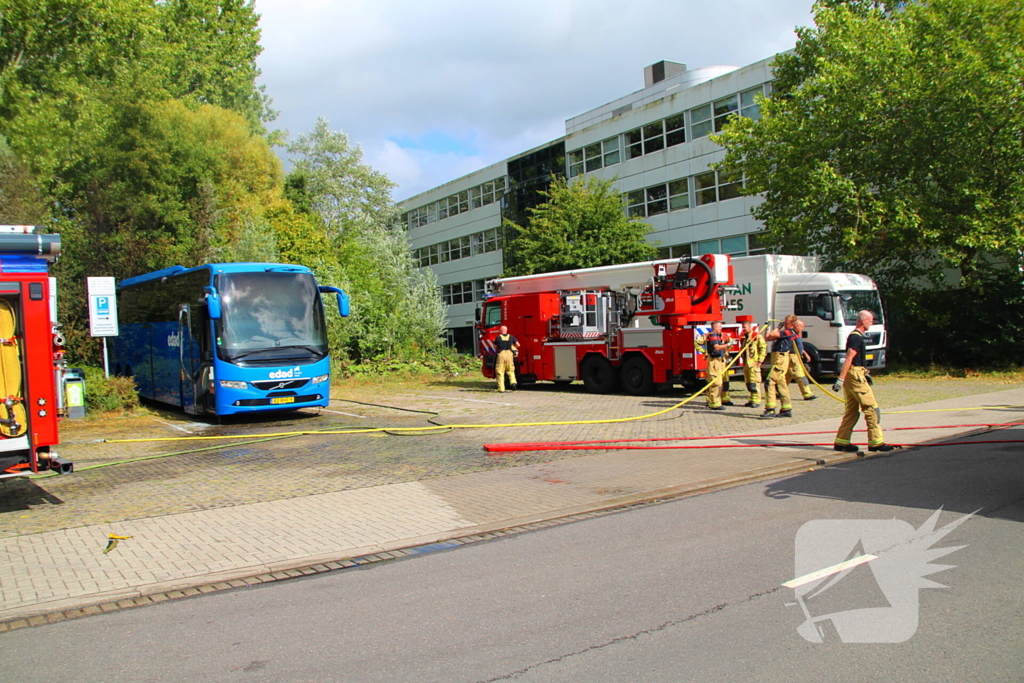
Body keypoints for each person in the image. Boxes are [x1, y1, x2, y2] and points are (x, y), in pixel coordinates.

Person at [832, 310, 896, 452]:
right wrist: (840, 379)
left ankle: (842, 441)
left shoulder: (856, 336)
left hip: (856, 374)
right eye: (870, 321)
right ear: (863, 321)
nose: (871, 323)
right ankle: (876, 442)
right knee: (871, 409)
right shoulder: (856, 337)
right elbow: (849, 358)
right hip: (855, 376)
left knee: (852, 411)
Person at [762, 314, 800, 418]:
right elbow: (768, 338)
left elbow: (773, 333)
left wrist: (779, 326)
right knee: (781, 384)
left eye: (786, 322)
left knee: (769, 381)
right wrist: (767, 328)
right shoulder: (785, 332)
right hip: (777, 358)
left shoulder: (789, 332)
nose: (784, 324)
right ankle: (786, 409)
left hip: (781, 359)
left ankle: (770, 409)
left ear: (792, 324)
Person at [695, 320, 733, 410]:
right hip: (713, 362)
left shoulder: (724, 335)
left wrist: (726, 351)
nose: (721, 328)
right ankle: (714, 402)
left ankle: (725, 399)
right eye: (719, 327)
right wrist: (705, 352)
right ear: (715, 327)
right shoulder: (708, 336)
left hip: (722, 361)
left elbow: (731, 343)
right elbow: (696, 343)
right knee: (715, 382)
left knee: (725, 381)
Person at [737, 315, 767, 407]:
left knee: (755, 382)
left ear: (749, 327)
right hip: (746, 364)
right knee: (749, 383)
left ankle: (756, 401)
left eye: (745, 327)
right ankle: (752, 399)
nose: (743, 329)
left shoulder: (756, 336)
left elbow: (763, 348)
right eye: (742, 327)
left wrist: (760, 360)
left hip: (754, 364)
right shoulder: (744, 338)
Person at [786, 319, 817, 401]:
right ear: (796, 326)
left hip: (796, 356)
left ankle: (778, 392)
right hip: (792, 357)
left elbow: (799, 346)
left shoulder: (797, 334)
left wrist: (805, 354)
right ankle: (807, 394)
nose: (802, 328)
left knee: (787, 376)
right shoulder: (790, 334)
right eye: (801, 326)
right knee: (800, 375)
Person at [494, 325, 520, 392]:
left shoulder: (498, 337)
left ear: (500, 331)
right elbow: (518, 344)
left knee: (500, 371)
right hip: (509, 355)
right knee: (510, 370)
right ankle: (513, 383)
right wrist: (513, 348)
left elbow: (495, 347)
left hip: (501, 355)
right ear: (506, 330)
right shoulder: (511, 337)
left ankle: (501, 389)